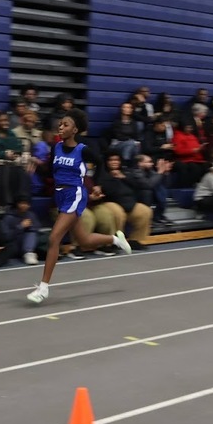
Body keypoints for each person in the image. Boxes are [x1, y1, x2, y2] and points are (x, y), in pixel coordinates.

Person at [27, 109, 131, 304]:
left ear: (75, 129)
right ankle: (115, 240)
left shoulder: (82, 149)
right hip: (60, 196)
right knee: (84, 241)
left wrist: (98, 183)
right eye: (60, 123)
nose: (60, 126)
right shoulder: (56, 147)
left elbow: (102, 162)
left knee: (54, 238)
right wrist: (36, 163)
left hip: (75, 194)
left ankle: (43, 288)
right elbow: (49, 171)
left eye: (65, 124)